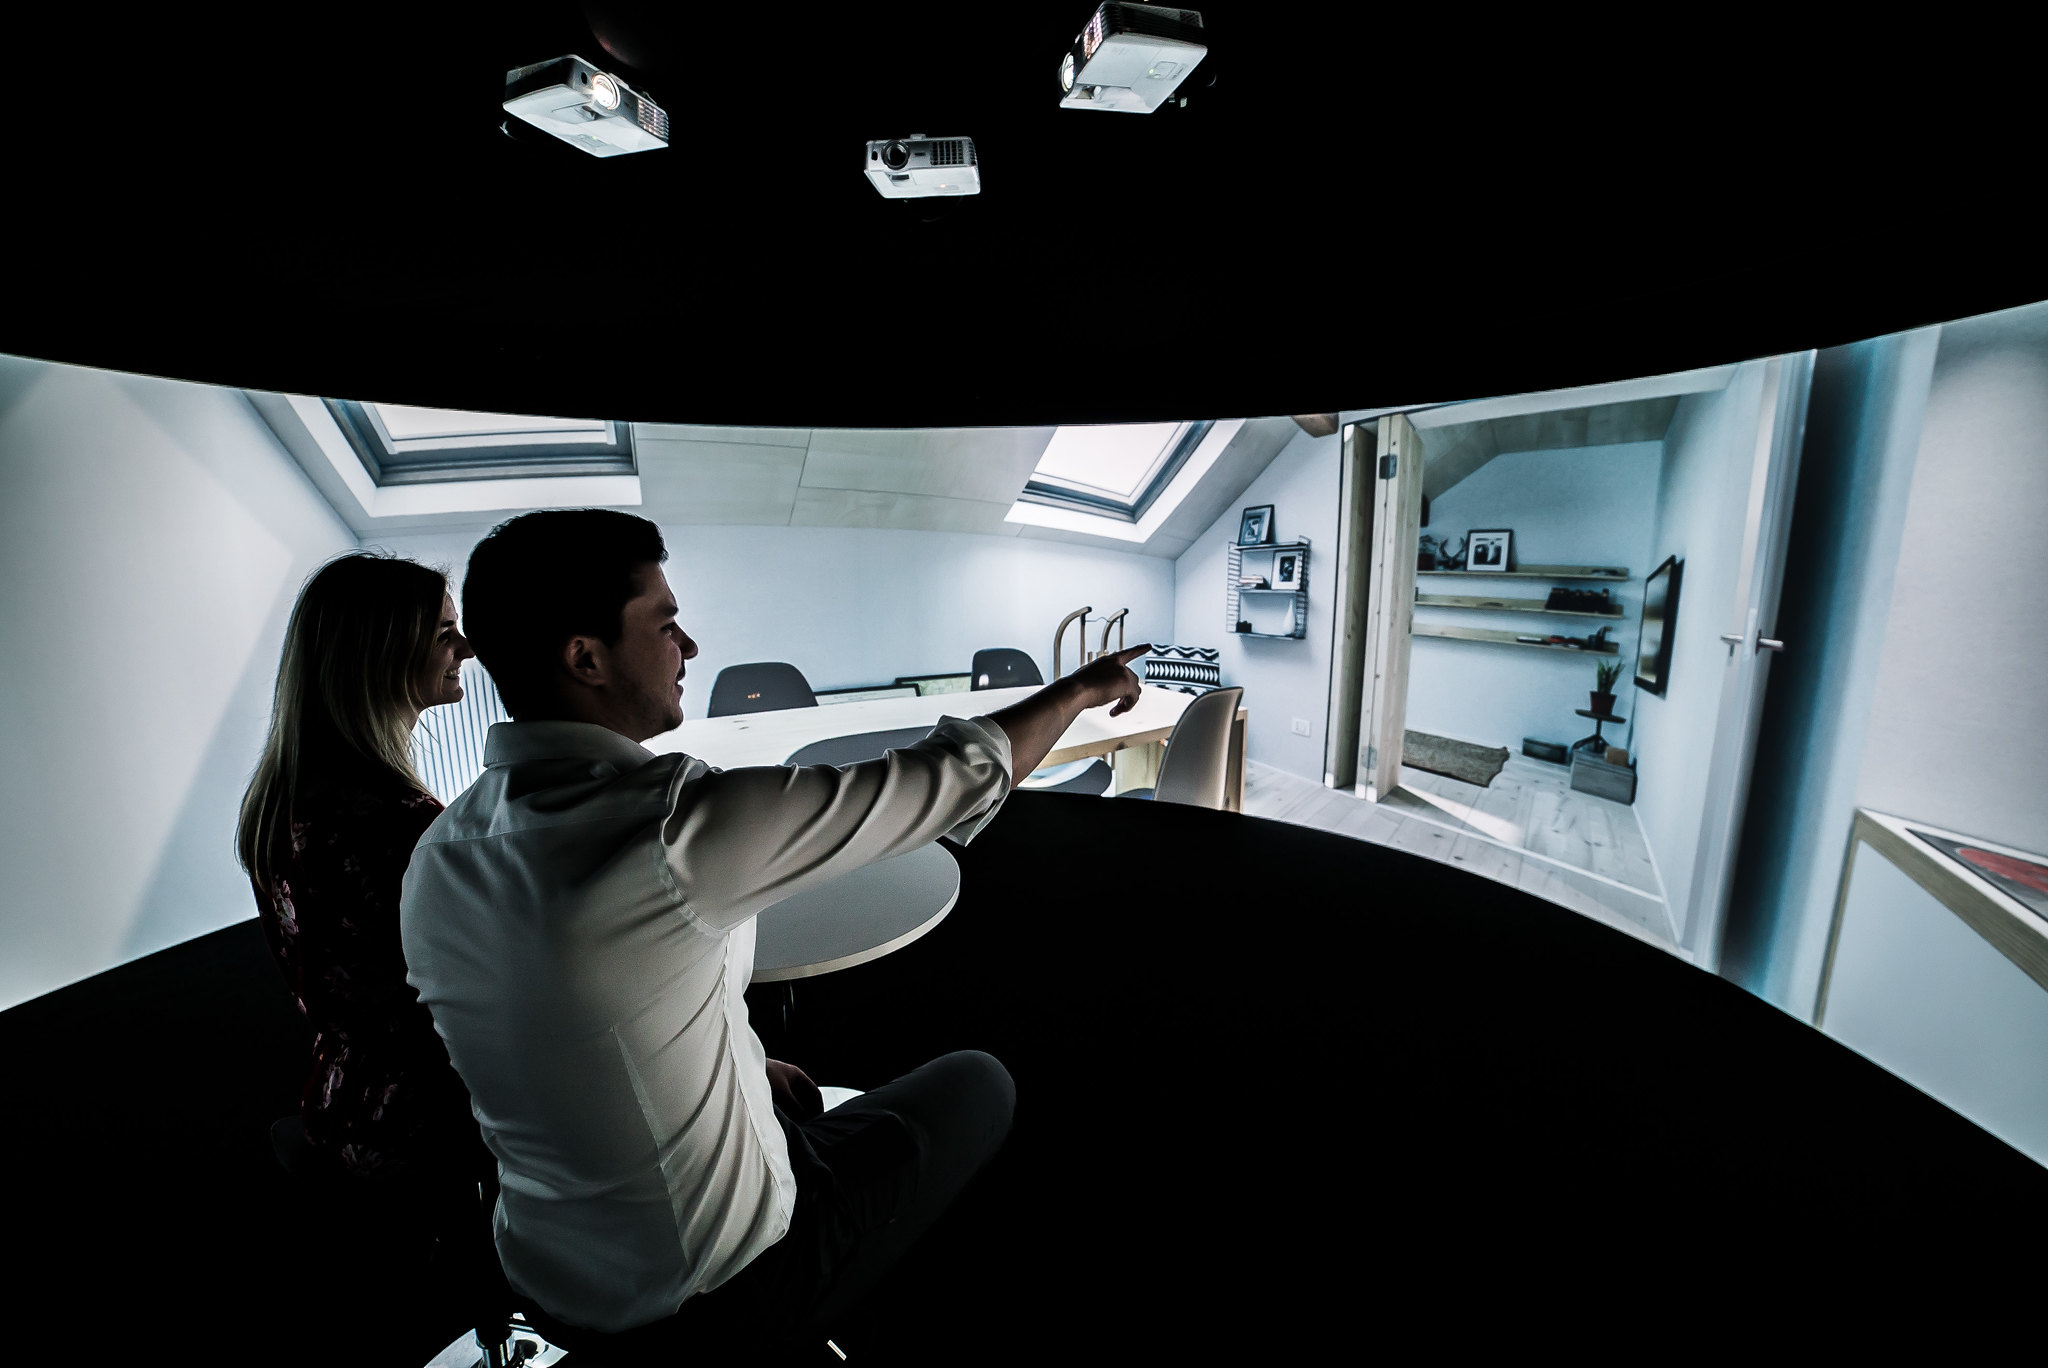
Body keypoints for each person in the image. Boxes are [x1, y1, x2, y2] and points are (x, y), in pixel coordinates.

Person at [399, 509, 1147, 1359]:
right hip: (717, 1289)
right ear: (586, 657)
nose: (688, 645)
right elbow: (946, 781)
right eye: (664, 622)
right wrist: (1081, 689)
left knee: (811, 1093)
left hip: (546, 1275)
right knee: (981, 1083)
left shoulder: (439, 854)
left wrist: (749, 1062)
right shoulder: (671, 827)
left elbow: (579, 1025)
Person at [238, 551, 489, 1182]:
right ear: (376, 655)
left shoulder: (287, 798)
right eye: (442, 634)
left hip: (340, 1100)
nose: (467, 646)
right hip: (424, 1134)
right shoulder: (393, 819)